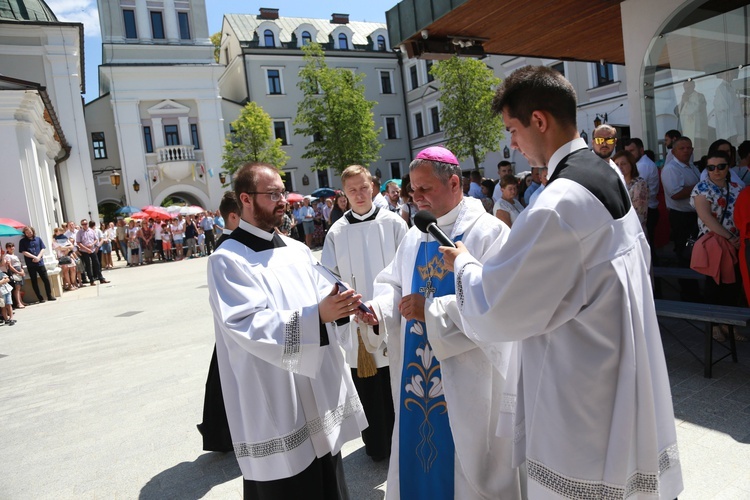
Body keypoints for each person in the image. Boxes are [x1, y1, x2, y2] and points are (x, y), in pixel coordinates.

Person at [441, 65, 683, 499]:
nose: (511, 143)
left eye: (513, 129)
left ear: (539, 120)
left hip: (580, 385)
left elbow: (499, 305)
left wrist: (464, 265)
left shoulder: (557, 203)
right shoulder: (605, 172)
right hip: (615, 358)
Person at [358, 146, 520, 499]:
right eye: (412, 190)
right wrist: (379, 310)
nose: (416, 198)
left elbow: (500, 306)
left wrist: (430, 310)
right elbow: (394, 284)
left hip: (468, 377)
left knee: (468, 466)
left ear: (455, 184)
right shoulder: (415, 235)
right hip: (416, 376)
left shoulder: (488, 233)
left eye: (425, 189)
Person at [207, 162, 367, 499]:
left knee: (329, 478)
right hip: (274, 390)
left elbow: (320, 299)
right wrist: (315, 317)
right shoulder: (228, 259)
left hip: (315, 386)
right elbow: (246, 324)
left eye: (283, 191)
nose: (284, 200)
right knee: (289, 486)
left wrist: (342, 308)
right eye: (274, 194)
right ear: (246, 200)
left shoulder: (297, 249)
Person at [321, 165, 408, 463]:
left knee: (394, 377)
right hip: (357, 319)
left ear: (373, 187)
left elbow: (406, 269)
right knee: (368, 382)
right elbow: (328, 277)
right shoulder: (337, 231)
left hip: (391, 314)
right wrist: (346, 305)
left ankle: (401, 440)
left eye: (363, 188)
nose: (358, 195)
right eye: (351, 191)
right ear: (343, 195)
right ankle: (377, 446)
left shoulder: (394, 224)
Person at [198, 190, 242, 453]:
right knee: (227, 381)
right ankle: (223, 434)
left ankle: (222, 432)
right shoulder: (226, 248)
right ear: (234, 217)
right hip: (234, 328)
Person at [690, 150, 744, 342]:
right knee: (714, 285)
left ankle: (728, 325)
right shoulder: (701, 188)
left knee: (733, 286)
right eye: (711, 167)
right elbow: (706, 217)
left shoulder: (738, 187)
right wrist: (729, 237)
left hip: (736, 243)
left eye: (720, 166)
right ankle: (713, 325)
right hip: (715, 243)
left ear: (728, 167)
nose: (716, 171)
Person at [613, 150, 649, 231]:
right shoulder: (614, 183)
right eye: (616, 164)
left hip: (634, 231)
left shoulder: (639, 184)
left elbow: (639, 214)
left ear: (631, 165)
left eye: (623, 164)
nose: (619, 167)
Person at [19, 226, 56, 302]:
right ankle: (40, 298)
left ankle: (49, 295)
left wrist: (38, 257)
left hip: (40, 263)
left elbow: (43, 248)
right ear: (25, 233)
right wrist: (34, 257)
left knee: (46, 279)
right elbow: (23, 252)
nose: (29, 234)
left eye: (30, 232)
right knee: (34, 281)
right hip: (30, 264)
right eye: (27, 233)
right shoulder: (22, 241)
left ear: (32, 231)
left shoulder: (38, 239)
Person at [77, 220, 109, 285]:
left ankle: (101, 278)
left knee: (97, 263)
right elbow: (78, 242)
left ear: (88, 224)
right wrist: (86, 248)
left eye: (86, 224)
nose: (85, 225)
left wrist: (92, 244)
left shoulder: (91, 231)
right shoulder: (79, 232)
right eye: (83, 224)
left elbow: (96, 239)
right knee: (88, 265)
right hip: (84, 251)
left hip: (92, 250)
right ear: (81, 225)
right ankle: (91, 280)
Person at [3, 242, 26, 308]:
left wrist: (22, 271)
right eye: (10, 247)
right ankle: (18, 303)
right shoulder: (7, 256)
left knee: (19, 287)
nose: (12, 248)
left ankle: (21, 301)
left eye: (13, 246)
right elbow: (10, 266)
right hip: (14, 272)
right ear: (7, 248)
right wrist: (17, 272)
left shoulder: (15, 256)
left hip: (19, 271)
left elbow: (20, 264)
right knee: (17, 288)